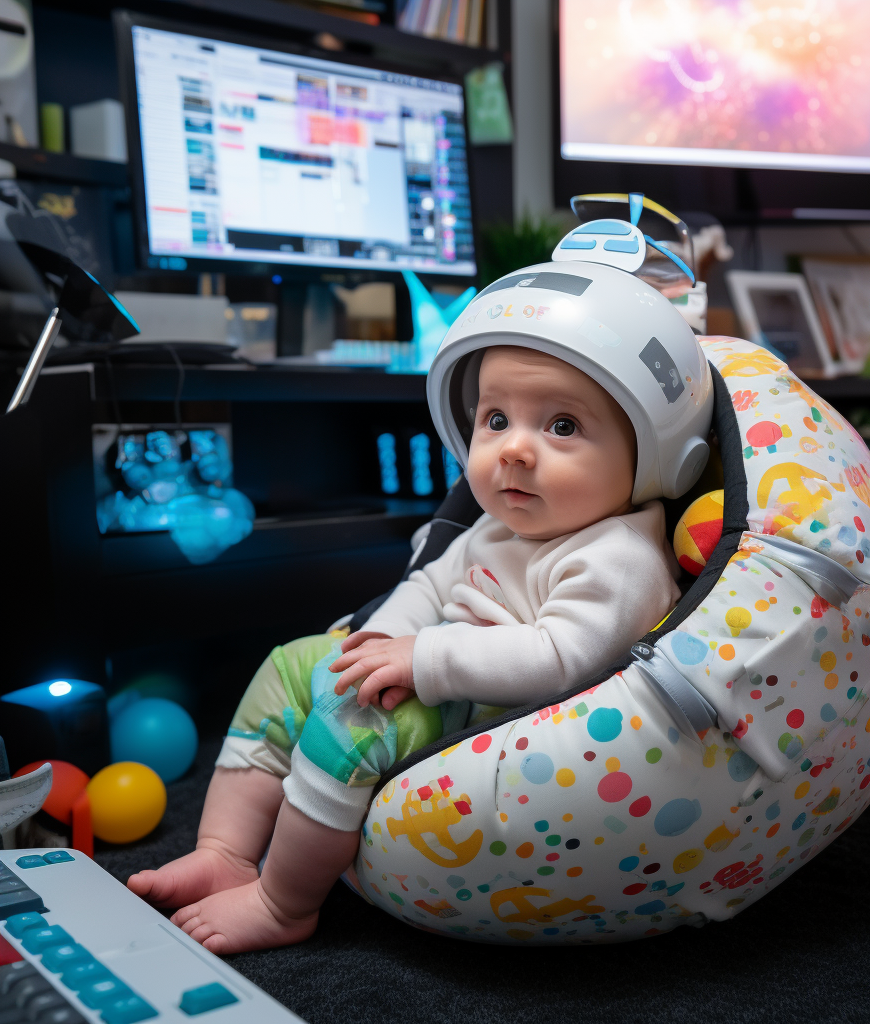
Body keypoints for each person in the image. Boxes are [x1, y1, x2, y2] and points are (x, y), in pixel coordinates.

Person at [127, 251, 713, 955]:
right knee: (289, 666)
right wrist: (380, 645)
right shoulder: (499, 525)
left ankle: (285, 903)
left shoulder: (620, 556)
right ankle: (224, 848)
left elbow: (561, 658)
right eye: (496, 419)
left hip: (515, 719)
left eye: (561, 427)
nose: (514, 451)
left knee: (353, 725)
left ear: (651, 457)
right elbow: (430, 586)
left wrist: (422, 659)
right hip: (439, 672)